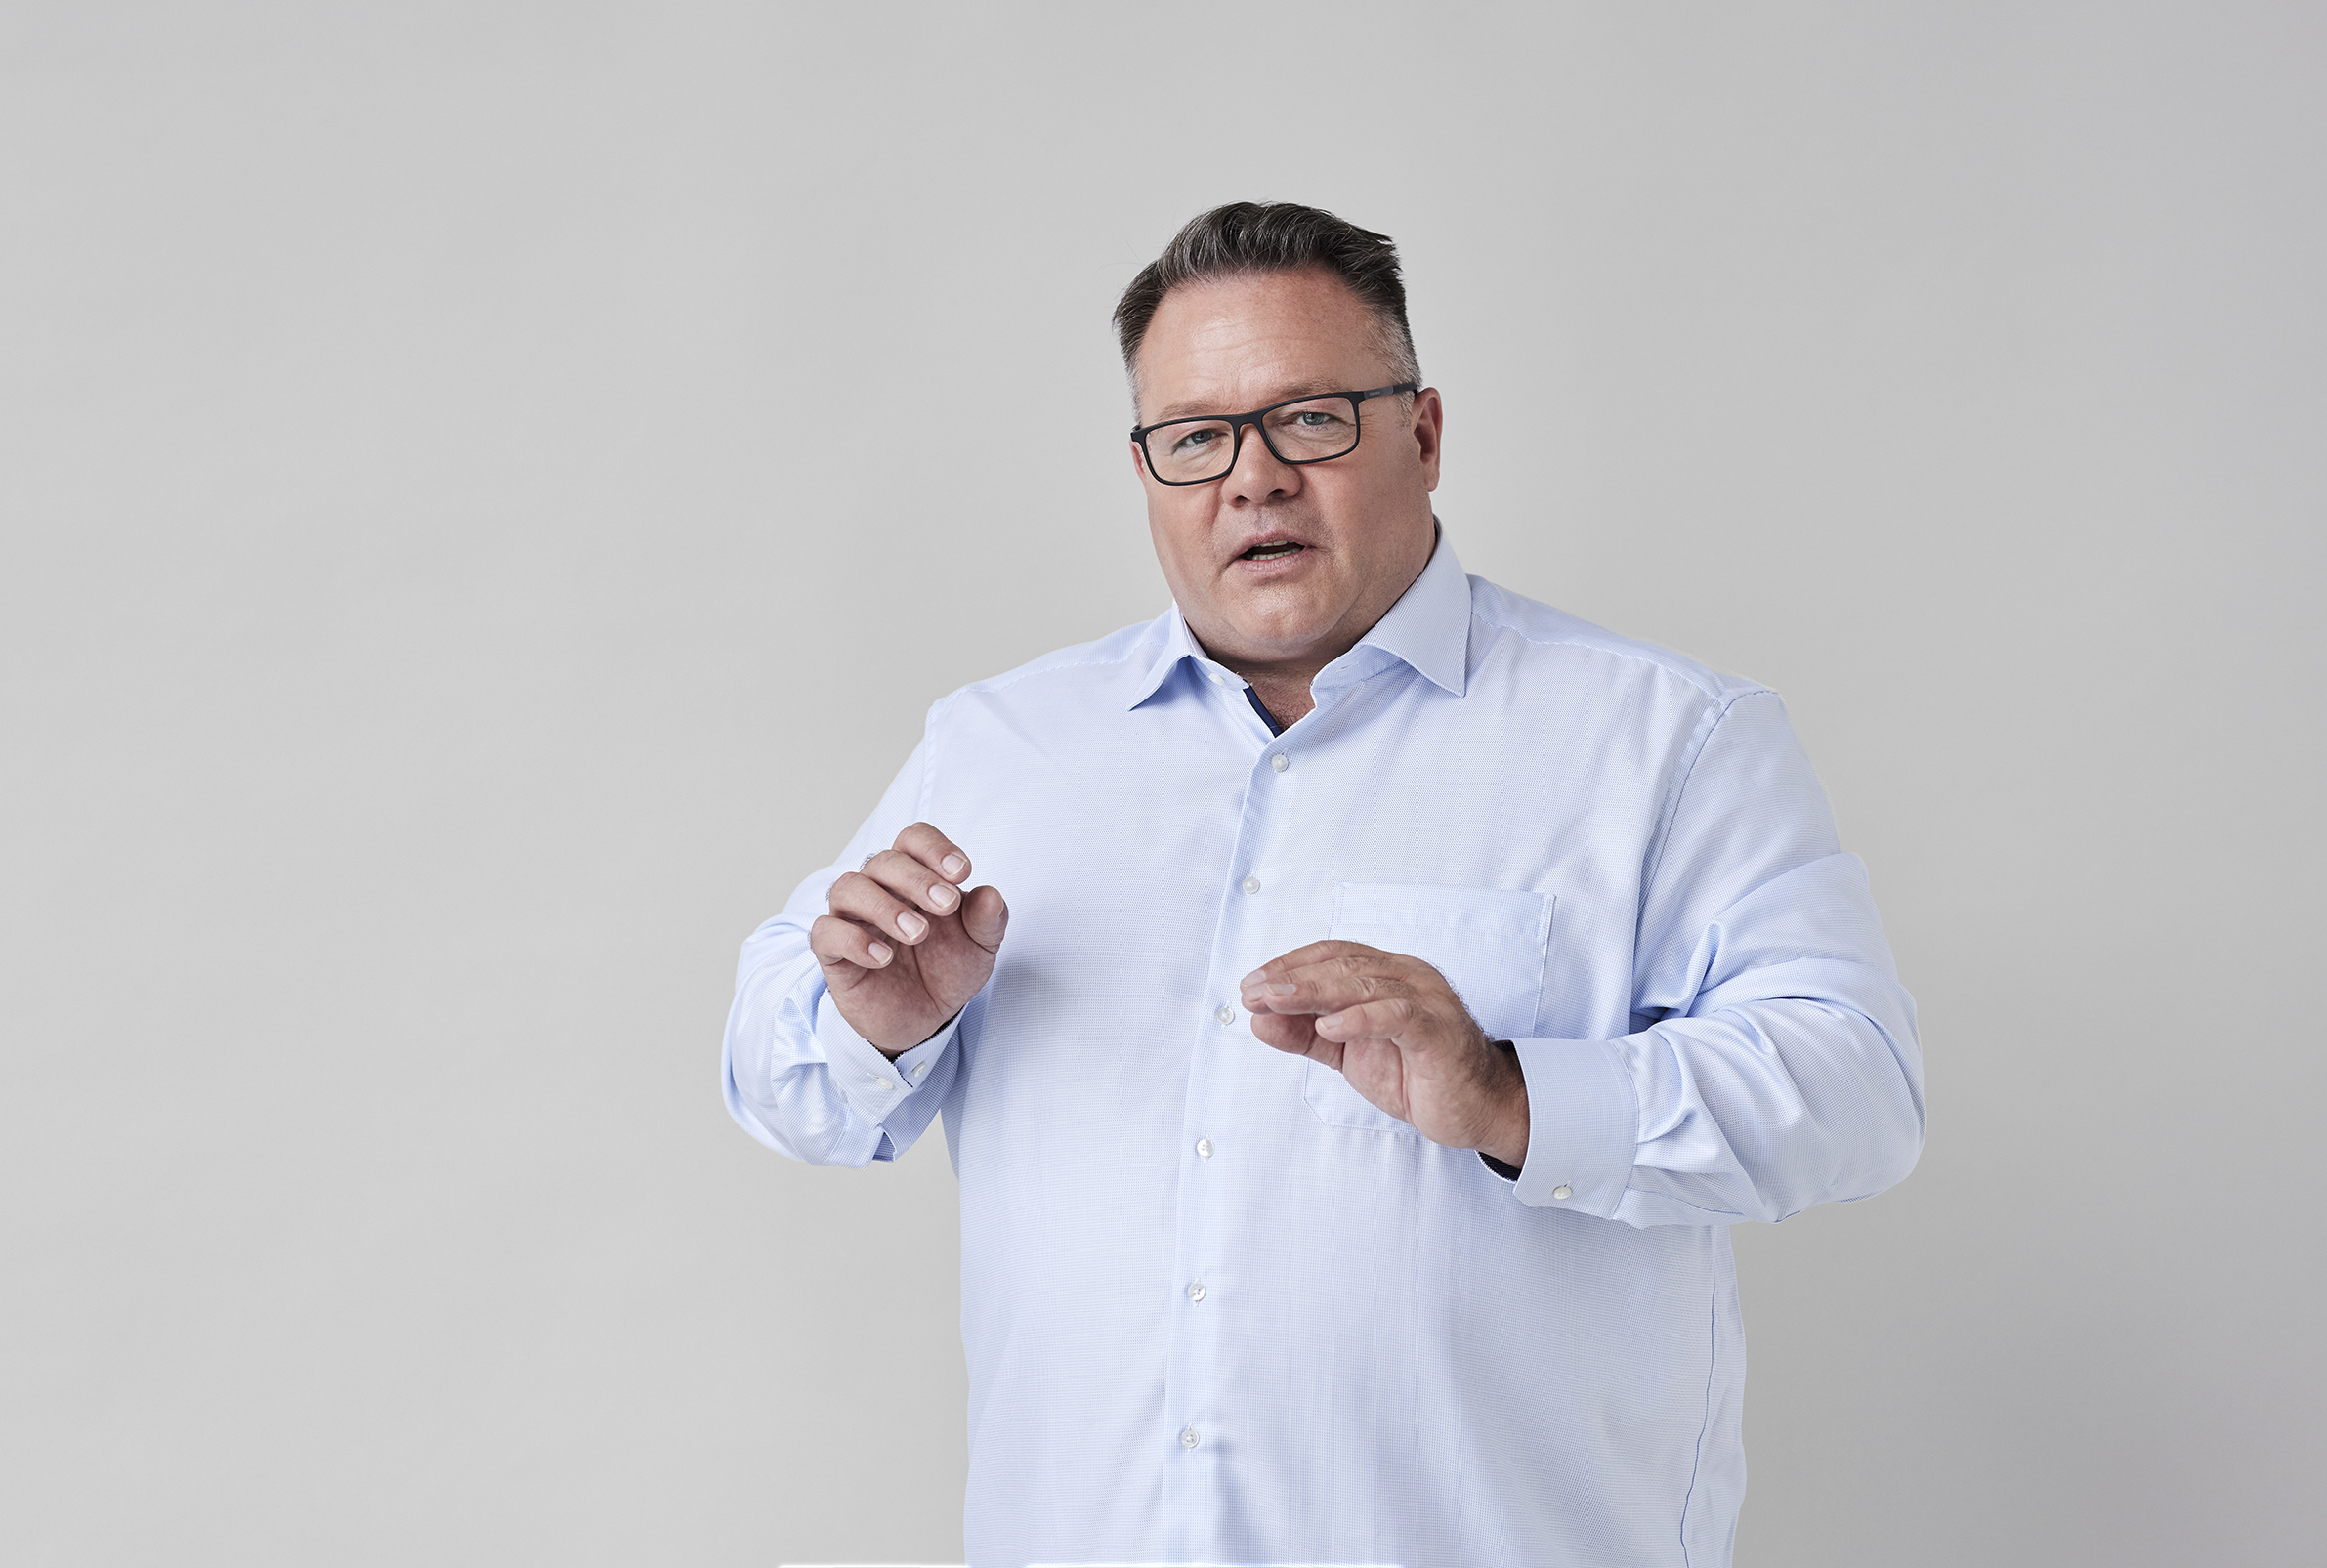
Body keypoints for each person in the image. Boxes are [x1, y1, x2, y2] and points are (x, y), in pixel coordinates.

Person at [722, 201, 1925, 1568]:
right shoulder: (1001, 748)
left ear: (1421, 432)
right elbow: (784, 1079)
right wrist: (877, 1021)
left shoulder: (1665, 741)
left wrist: (1512, 1092)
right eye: (1198, 438)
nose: (1254, 479)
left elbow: (1859, 1088)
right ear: (1147, 471)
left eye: (1310, 419)